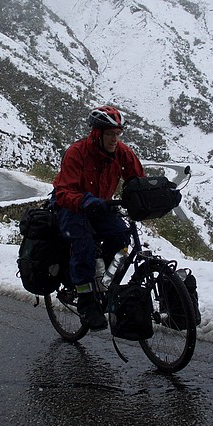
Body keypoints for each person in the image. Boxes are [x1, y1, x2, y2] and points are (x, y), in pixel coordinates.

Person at [52, 106, 145, 330]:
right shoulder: (77, 152)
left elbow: (137, 180)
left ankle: (103, 282)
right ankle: (85, 299)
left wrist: (154, 194)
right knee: (84, 245)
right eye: (110, 134)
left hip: (101, 207)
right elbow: (64, 191)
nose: (115, 139)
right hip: (71, 206)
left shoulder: (122, 153)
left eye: (118, 134)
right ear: (97, 133)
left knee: (122, 237)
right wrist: (85, 201)